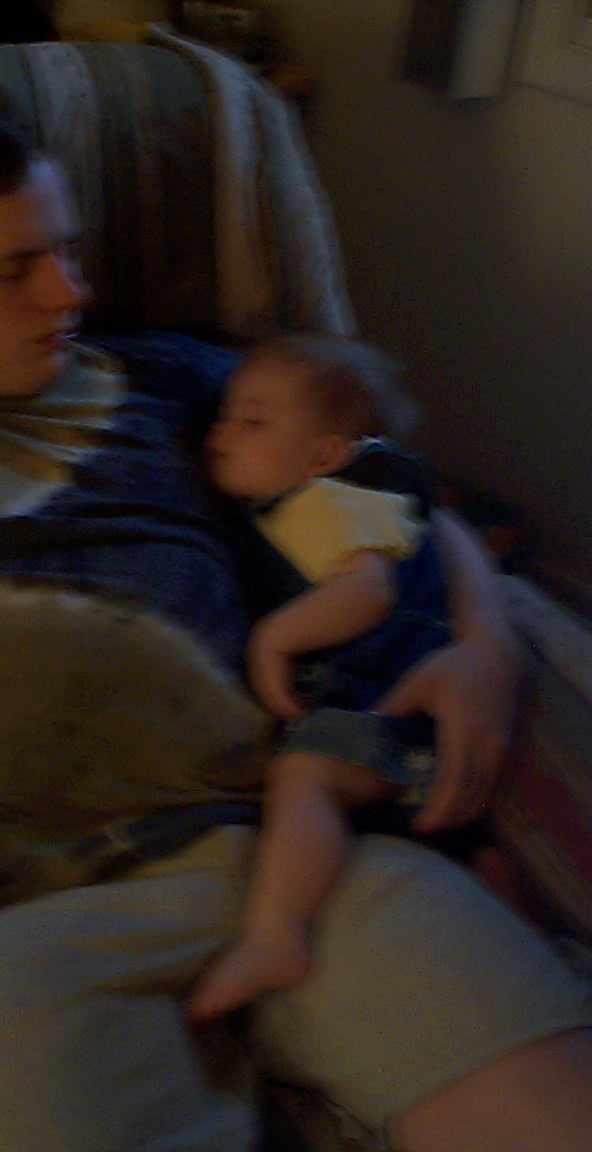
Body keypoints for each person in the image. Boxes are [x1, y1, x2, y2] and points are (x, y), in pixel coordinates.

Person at [0, 95, 589, 1152]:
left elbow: (382, 484)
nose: (70, 291)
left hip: (295, 851)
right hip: (17, 932)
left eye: (69, 251)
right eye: (17, 268)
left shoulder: (177, 378)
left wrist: (484, 647)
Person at [187, 334, 452, 1021]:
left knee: (303, 776)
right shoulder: (293, 510)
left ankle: (276, 936)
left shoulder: (327, 505)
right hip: (387, 726)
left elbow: (368, 592)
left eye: (253, 421)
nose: (222, 431)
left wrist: (274, 638)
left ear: (324, 456)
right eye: (225, 414)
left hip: (391, 715)